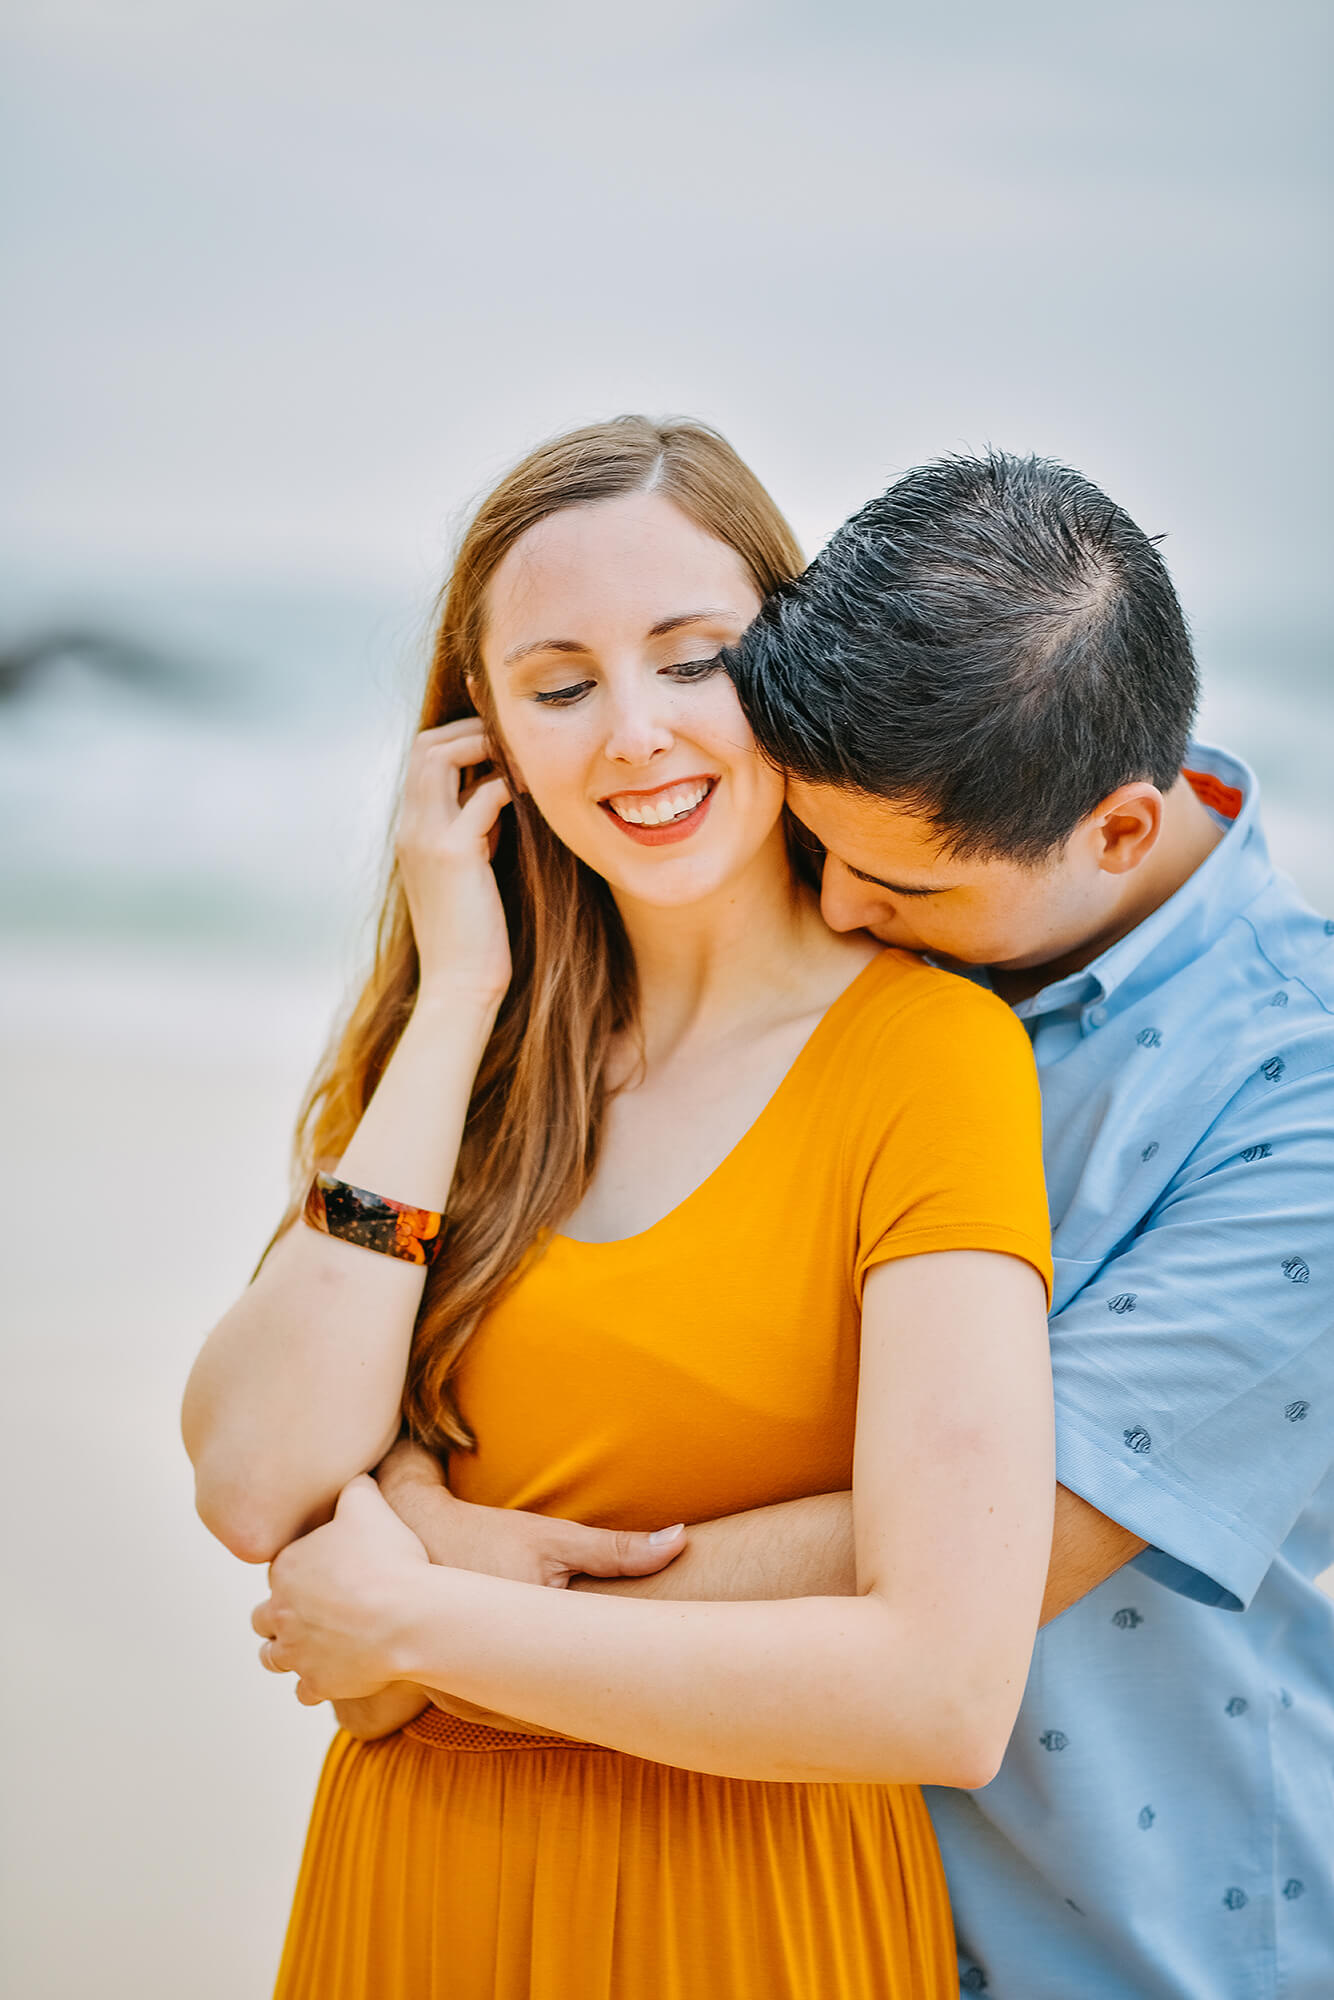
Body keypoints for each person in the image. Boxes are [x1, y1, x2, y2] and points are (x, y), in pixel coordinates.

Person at [181, 417, 1057, 2000]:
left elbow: (943, 1686)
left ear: (787, 668)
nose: (633, 735)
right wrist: (454, 998)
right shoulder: (477, 1060)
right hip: (409, 1898)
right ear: (489, 745)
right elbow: (255, 1480)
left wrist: (420, 1618)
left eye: (691, 659)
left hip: (748, 1910)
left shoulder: (935, 1057)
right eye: (560, 685)